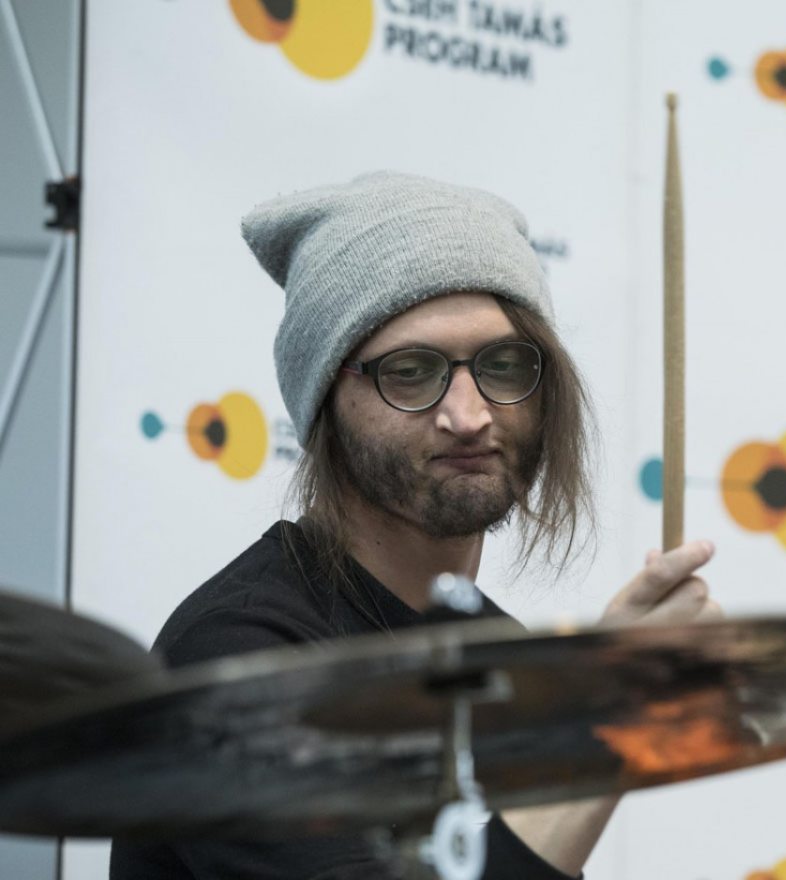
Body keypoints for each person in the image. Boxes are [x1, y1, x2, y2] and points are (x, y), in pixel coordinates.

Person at [109, 172, 721, 880]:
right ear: (325, 399)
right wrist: (607, 720)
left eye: (503, 365)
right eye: (410, 371)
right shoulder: (235, 657)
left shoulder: (497, 660)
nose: (469, 415)